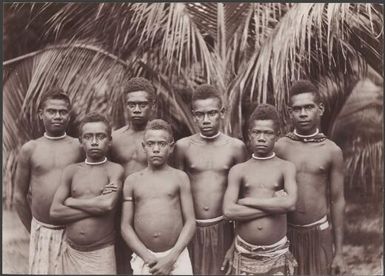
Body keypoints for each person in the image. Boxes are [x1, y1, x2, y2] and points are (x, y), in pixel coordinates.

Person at [174, 84, 248, 275]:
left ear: (222, 112)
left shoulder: (235, 148)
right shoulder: (183, 147)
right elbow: (175, 193)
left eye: (212, 113)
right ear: (194, 115)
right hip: (191, 229)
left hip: (224, 228)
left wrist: (236, 241)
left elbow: (243, 197)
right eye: (200, 114)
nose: (206, 119)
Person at [275, 80, 346, 275]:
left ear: (320, 109)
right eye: (297, 109)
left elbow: (337, 201)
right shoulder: (281, 146)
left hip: (318, 233)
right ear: (290, 112)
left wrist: (339, 252)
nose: (303, 113)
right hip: (285, 233)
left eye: (308, 107)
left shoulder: (332, 151)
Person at [223, 103, 298, 275]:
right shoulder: (239, 170)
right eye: (257, 132)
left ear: (277, 135)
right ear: (249, 135)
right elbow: (228, 210)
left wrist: (247, 201)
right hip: (245, 253)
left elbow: (290, 204)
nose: (262, 138)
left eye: (268, 133)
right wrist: (276, 205)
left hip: (276, 252)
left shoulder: (286, 167)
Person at [14, 90, 83, 274]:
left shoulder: (79, 146)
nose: (57, 116)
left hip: (74, 229)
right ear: (41, 114)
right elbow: (19, 196)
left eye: (63, 112)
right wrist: (34, 230)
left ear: (69, 115)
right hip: (41, 230)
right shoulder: (30, 149)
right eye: (51, 111)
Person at [50, 112, 124, 274]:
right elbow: (55, 212)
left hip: (101, 253)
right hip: (71, 252)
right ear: (81, 141)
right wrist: (95, 207)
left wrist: (71, 202)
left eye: (101, 136)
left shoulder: (114, 169)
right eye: (89, 137)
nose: (95, 142)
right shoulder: (71, 171)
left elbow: (107, 204)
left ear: (110, 141)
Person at [121, 119, 196, 275]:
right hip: (145, 258)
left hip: (176, 257)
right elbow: (125, 226)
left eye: (161, 144)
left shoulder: (180, 178)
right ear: (144, 147)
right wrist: (147, 257)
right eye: (151, 144)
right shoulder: (132, 181)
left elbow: (190, 222)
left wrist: (172, 257)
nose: (156, 149)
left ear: (171, 147)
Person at [110, 77, 156, 274]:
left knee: (151, 264)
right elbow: (105, 170)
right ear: (125, 105)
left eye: (142, 104)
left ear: (152, 106)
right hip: (121, 212)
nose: (137, 109)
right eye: (132, 104)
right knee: (122, 267)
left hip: (152, 210)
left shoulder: (159, 139)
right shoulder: (114, 139)